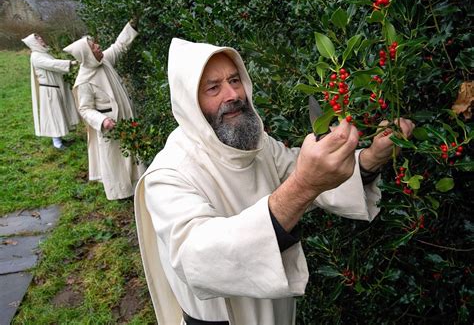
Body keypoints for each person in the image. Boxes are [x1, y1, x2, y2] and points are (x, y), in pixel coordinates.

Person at [134, 38, 415, 325]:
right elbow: (197, 256)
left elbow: (308, 173)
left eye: (234, 80)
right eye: (213, 88)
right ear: (189, 102)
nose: (232, 94)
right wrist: (304, 185)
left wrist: (370, 159)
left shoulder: (258, 145)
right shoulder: (168, 175)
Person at [63, 19, 145, 200]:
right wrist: (103, 121)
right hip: (111, 126)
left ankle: (138, 184)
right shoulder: (84, 81)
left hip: (126, 120)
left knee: (133, 155)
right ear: (87, 54)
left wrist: (131, 26)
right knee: (116, 160)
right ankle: (122, 193)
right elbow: (84, 109)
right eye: (94, 47)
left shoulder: (104, 61)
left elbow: (119, 46)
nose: (98, 46)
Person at [22, 33, 80, 150]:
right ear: (33, 43)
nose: (41, 39)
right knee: (54, 114)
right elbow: (52, 64)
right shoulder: (36, 56)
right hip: (49, 90)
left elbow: (54, 65)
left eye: (40, 37)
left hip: (54, 88)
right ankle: (57, 143)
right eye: (37, 39)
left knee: (58, 113)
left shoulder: (43, 54)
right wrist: (70, 63)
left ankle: (59, 139)